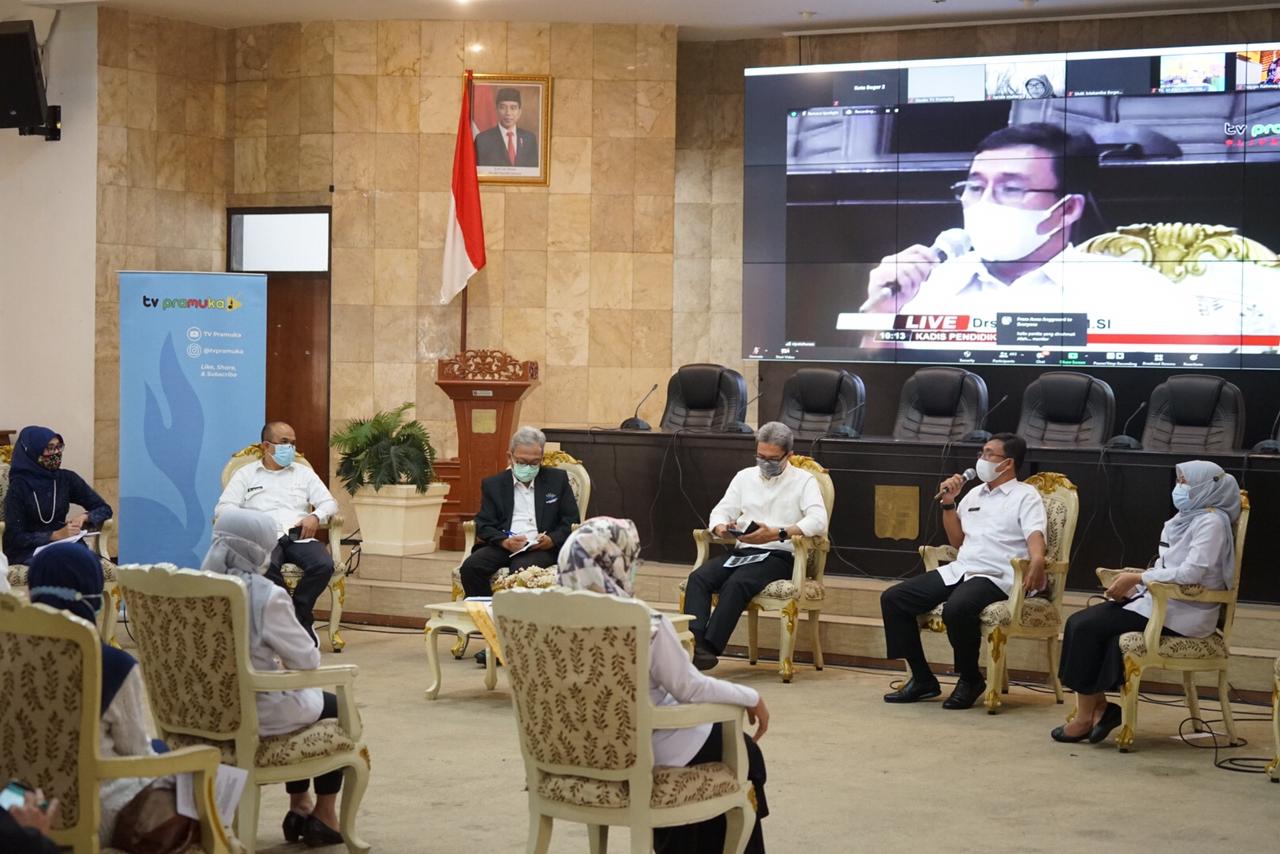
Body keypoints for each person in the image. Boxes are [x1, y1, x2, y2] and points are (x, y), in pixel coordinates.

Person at [556, 517, 770, 854]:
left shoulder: (544, 623)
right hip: (645, 751)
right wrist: (750, 696)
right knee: (744, 750)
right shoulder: (645, 623)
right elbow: (690, 689)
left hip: (574, 753)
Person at [857, 123, 1178, 326]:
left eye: (1011, 189)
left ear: (1067, 209)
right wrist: (884, 312)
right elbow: (875, 389)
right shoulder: (922, 286)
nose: (985, 202)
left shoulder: (1138, 293)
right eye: (975, 186)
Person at [1051, 461, 1240, 743]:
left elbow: (1192, 572)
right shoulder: (1184, 518)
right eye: (1178, 481)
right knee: (1079, 623)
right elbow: (1169, 567)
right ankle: (1099, 708)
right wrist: (1135, 580)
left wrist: (1138, 578)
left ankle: (1085, 717)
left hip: (1183, 612)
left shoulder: (1211, 522)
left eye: (1186, 482)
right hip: (1159, 602)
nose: (1179, 488)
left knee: (1087, 626)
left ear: (1205, 487)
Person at [200, 508, 346, 847]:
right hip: (253, 711)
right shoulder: (265, 594)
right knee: (335, 706)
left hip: (200, 710)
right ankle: (323, 814)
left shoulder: (196, 586)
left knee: (304, 700)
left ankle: (299, 805)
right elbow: (307, 658)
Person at [880, 433, 1047, 710]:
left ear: (1007, 463)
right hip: (962, 569)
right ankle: (922, 679)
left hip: (997, 574)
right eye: (981, 452)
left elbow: (1035, 535)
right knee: (894, 599)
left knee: (957, 608)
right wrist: (949, 503)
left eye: (988, 454)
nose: (981, 459)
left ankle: (970, 679)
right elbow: (957, 541)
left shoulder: (1025, 496)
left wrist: (1038, 561)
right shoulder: (974, 494)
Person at [27, 543, 150, 843]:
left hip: (15, 803)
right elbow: (137, 755)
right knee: (195, 778)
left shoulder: (10, 652)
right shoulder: (111, 664)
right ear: (94, 596)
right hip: (89, 810)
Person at [683, 421, 828, 672]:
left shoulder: (804, 481)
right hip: (744, 551)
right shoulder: (744, 477)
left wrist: (777, 533)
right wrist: (721, 528)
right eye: (760, 456)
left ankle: (708, 649)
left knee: (738, 583)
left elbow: (818, 521)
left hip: (779, 555)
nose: (765, 463)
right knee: (699, 578)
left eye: (772, 459)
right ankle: (692, 643)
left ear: (788, 456)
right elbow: (720, 511)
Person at [214, 421, 339, 643]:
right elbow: (223, 509)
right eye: (284, 443)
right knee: (263, 566)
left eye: (293, 443)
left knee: (324, 565)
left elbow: (329, 503)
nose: (290, 449)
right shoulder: (245, 474)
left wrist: (315, 516)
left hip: (297, 535)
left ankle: (298, 617)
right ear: (266, 446)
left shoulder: (303, 473)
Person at [458, 426, 580, 598]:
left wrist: (551, 540)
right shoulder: (494, 484)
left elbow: (571, 520)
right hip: (505, 544)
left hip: (541, 548)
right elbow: (484, 524)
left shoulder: (557, 480)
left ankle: (519, 620)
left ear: (541, 459)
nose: (528, 467)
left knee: (522, 569)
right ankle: (487, 615)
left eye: (534, 463)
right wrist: (505, 542)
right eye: (522, 462)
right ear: (510, 457)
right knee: (471, 568)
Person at [3, 426, 112, 566]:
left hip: (65, 543)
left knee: (87, 561)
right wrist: (54, 535)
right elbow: (14, 537)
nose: (55, 453)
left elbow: (104, 508)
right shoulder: (19, 487)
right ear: (32, 451)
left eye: (58, 447)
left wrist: (85, 517)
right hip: (28, 550)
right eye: (49, 448)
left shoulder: (66, 479)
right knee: (64, 564)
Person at [473, 87, 539, 168]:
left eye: (513, 108)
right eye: (503, 107)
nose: (508, 113)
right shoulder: (482, 140)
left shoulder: (529, 138)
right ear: (496, 110)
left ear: (519, 112)